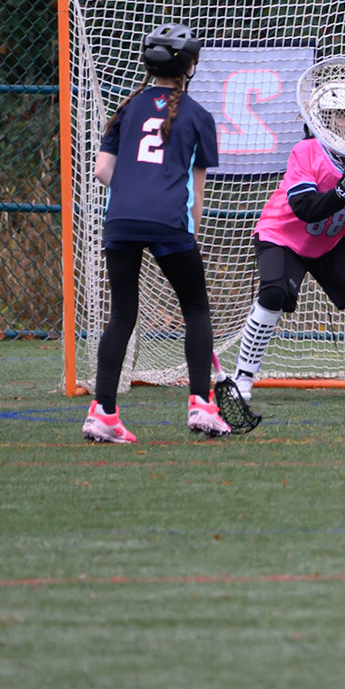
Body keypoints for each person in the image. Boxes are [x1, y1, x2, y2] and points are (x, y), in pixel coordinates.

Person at [221, 68, 345, 418]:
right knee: (274, 293)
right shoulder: (306, 152)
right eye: (341, 114)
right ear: (324, 119)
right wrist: (344, 192)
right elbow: (305, 208)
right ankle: (243, 376)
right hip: (282, 236)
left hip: (328, 242)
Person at [82, 24, 227, 443]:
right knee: (195, 309)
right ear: (189, 68)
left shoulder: (127, 109)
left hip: (121, 219)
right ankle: (201, 406)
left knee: (122, 315)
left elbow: (102, 170)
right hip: (168, 221)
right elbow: (196, 190)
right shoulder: (198, 117)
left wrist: (135, 189)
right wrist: (191, 231)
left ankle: (103, 413)